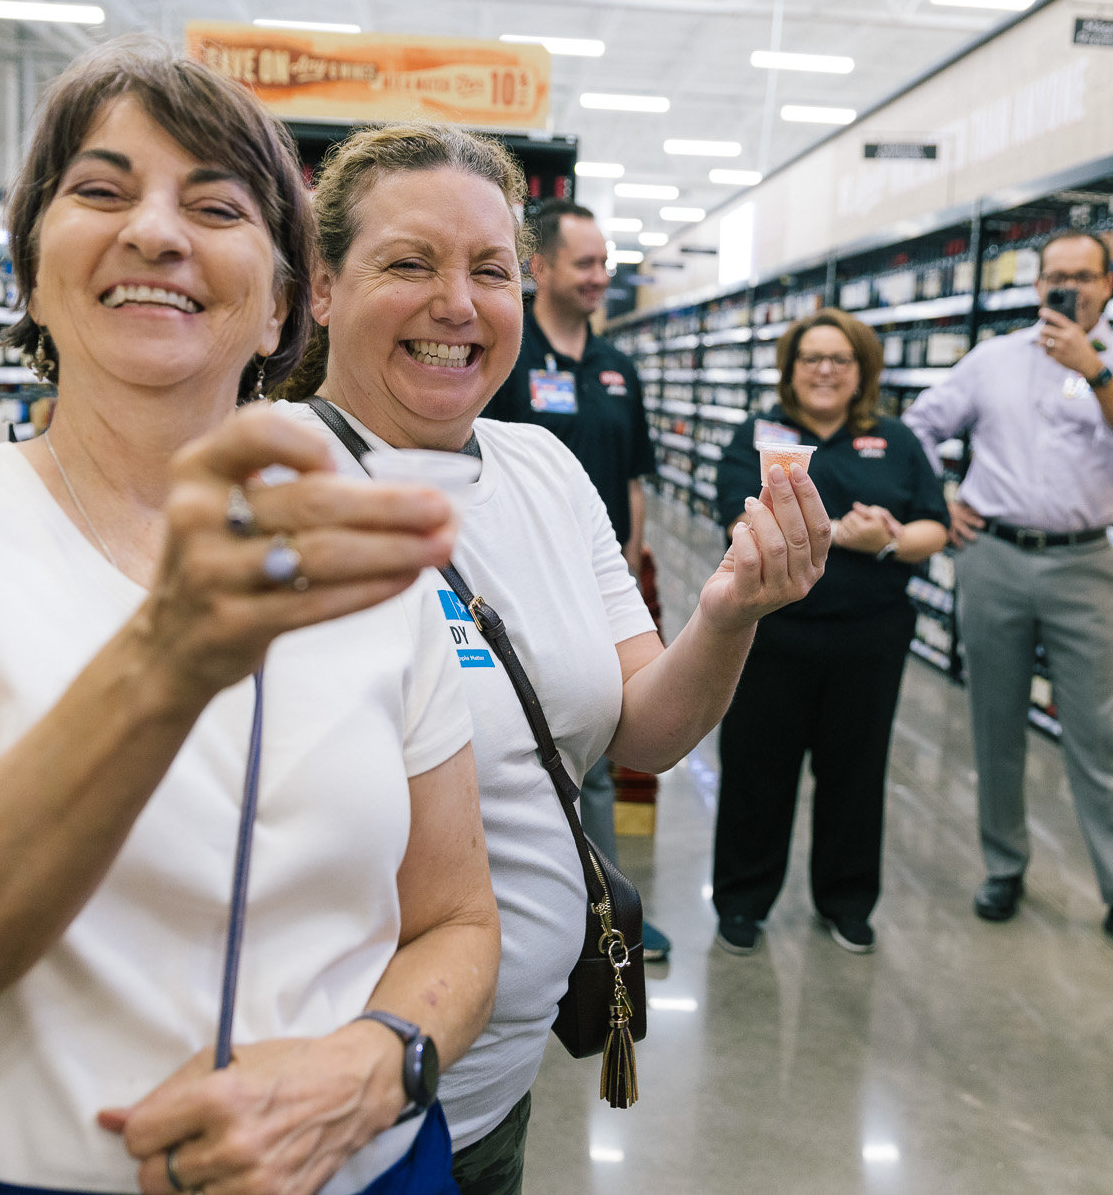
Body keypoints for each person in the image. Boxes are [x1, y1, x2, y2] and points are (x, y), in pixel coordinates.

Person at [0, 38, 500, 1195]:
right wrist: (169, 654)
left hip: (365, 1167)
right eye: (99, 191)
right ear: (31, 274)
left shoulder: (362, 553)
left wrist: (367, 1069)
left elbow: (453, 922)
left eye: (216, 204)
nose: (154, 232)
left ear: (286, 299)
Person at [275, 122, 829, 1195]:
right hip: (321, 1114)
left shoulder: (544, 468)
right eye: (408, 263)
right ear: (322, 288)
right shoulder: (257, 483)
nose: (457, 303)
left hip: (497, 1093)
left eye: (491, 270)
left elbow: (642, 729)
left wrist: (726, 616)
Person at [903, 228, 1113, 946]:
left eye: (1084, 276)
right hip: (994, 555)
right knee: (995, 723)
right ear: (1037, 283)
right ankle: (1004, 864)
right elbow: (919, 425)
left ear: (1108, 284)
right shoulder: (991, 361)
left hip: (1086, 564)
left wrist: (1095, 371)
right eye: (1057, 275)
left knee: (1097, 731)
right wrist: (940, 499)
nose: (1070, 287)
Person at [708, 308, 948, 956]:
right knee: (758, 764)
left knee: (857, 767)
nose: (824, 370)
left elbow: (935, 526)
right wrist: (844, 534)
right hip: (771, 632)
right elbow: (735, 514)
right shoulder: (761, 438)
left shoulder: (897, 441)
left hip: (868, 636)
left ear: (861, 371)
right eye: (810, 357)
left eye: (839, 359)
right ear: (790, 370)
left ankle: (847, 899)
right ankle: (742, 899)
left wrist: (891, 540)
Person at [479, 199, 668, 963]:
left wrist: (630, 565)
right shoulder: (508, 357)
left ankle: (604, 909)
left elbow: (633, 481)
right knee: (531, 743)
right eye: (585, 263)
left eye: (605, 264)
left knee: (603, 736)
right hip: (510, 589)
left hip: (602, 579)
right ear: (542, 268)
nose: (599, 278)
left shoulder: (619, 367)